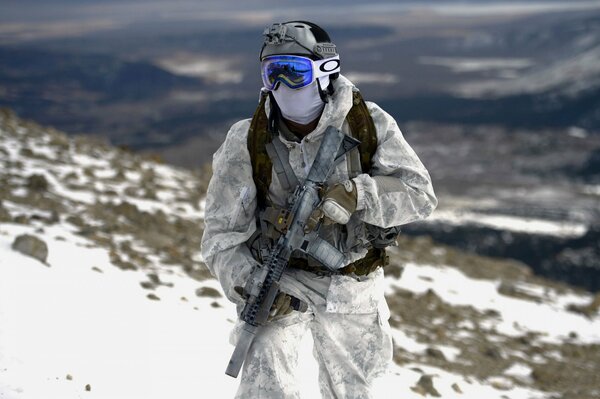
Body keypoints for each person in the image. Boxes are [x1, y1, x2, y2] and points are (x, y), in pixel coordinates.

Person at [201, 21, 437, 398]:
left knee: (354, 390)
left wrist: (358, 194)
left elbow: (419, 196)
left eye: (293, 72)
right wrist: (249, 284)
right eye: (271, 73)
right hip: (280, 280)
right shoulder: (247, 141)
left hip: (351, 281)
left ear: (325, 72)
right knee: (265, 381)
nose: (281, 86)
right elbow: (221, 237)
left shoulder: (369, 124)